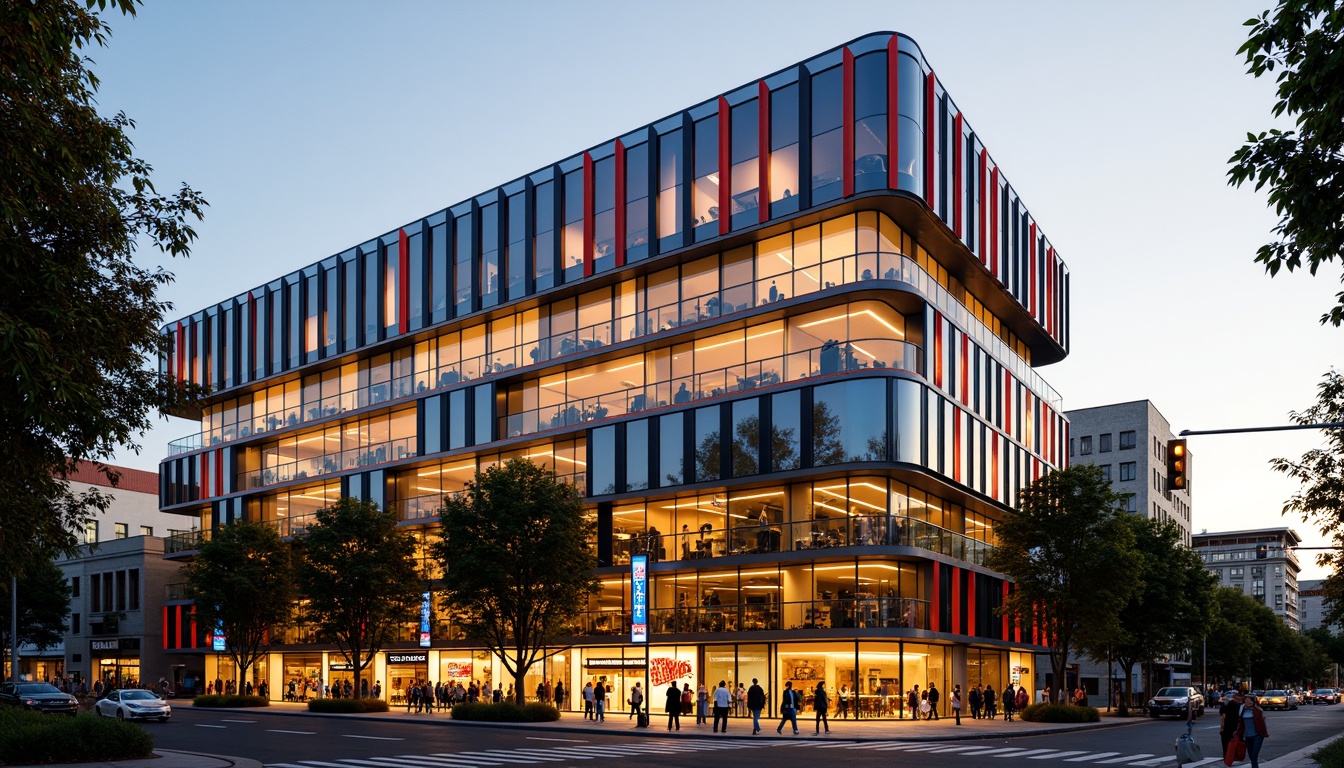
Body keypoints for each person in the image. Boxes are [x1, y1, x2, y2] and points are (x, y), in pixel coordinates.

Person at [1236, 692, 1269, 768]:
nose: (1248, 702)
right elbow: (1241, 722)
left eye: (1250, 701)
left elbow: (1262, 723)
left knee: (1254, 754)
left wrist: (1264, 733)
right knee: (1251, 755)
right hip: (1247, 736)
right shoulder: (1242, 709)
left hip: (1257, 735)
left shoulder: (1258, 710)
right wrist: (1238, 732)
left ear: (1254, 701)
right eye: (1246, 701)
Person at [1219, 688, 1245, 758]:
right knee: (1235, 747)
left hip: (1226, 729)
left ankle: (1227, 758)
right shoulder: (1241, 707)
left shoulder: (1224, 707)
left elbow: (1222, 718)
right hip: (1235, 729)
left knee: (1226, 748)